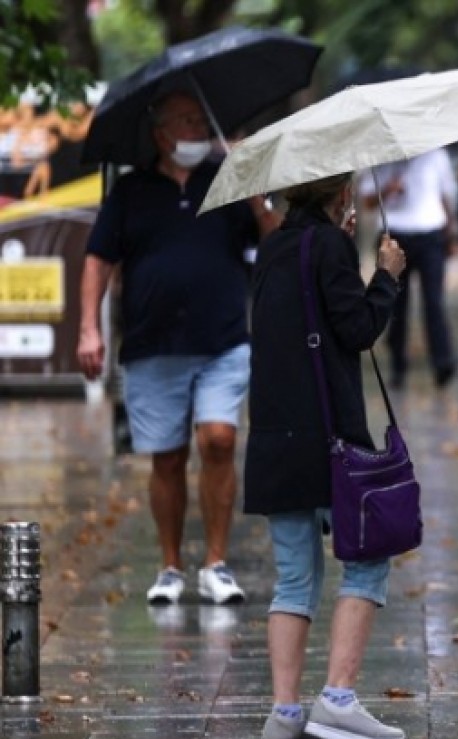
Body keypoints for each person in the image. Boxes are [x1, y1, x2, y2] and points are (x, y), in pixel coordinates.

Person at [77, 89, 281, 605]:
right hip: (153, 344)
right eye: (186, 121)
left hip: (222, 340)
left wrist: (254, 185)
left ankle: (216, 562)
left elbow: (274, 241)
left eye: (200, 118)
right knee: (166, 459)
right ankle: (170, 565)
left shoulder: (228, 181)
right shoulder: (130, 192)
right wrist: (89, 329)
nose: (197, 130)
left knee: (218, 440)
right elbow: (98, 260)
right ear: (160, 133)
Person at [244, 172, 408, 739]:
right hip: (327, 438)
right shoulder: (331, 246)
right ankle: (337, 699)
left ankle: (284, 717)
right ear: (340, 195)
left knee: (294, 578)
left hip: (272, 438)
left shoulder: (271, 246)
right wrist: (385, 277)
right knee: (366, 558)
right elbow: (358, 328)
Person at [358, 148, 458, 388]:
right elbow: (368, 201)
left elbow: (446, 196)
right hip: (396, 232)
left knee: (433, 300)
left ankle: (441, 361)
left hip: (430, 234)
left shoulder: (436, 156)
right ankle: (398, 364)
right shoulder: (383, 161)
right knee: (397, 302)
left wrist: (452, 234)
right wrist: (388, 190)